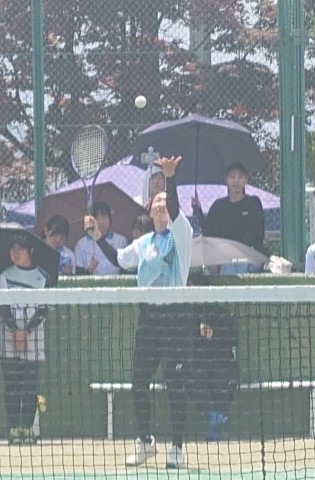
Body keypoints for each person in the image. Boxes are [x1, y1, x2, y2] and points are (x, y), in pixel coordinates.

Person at [84, 155, 193, 469]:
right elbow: (119, 259)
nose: (162, 203)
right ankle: (145, 441)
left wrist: (170, 177)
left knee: (175, 384)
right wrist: (96, 235)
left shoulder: (181, 233)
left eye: (166, 200)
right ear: (148, 208)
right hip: (149, 319)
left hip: (175, 317)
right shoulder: (143, 243)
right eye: (157, 200)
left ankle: (177, 448)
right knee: (138, 381)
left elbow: (176, 207)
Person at [0, 234, 50, 445]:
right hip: (8, 338)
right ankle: (13, 429)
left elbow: (44, 309)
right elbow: (2, 306)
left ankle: (28, 429)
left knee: (29, 385)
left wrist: (26, 332)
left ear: (31, 251)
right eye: (12, 249)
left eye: (20, 249)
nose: (15, 253)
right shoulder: (4, 276)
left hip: (34, 340)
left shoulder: (43, 277)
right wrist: (14, 331)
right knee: (11, 385)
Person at [187, 273, 239, 442]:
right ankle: (214, 416)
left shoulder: (221, 314)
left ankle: (218, 420)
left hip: (221, 366)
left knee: (222, 381)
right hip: (197, 369)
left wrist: (213, 334)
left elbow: (233, 339)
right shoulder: (185, 316)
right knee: (188, 377)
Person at [192, 162, 265, 274]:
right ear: (226, 180)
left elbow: (257, 232)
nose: (236, 181)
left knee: (233, 264)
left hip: (250, 254)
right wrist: (198, 210)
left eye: (240, 177)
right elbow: (209, 232)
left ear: (246, 180)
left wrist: (235, 249)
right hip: (224, 256)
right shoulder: (218, 205)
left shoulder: (253, 203)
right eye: (232, 177)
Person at [74, 201, 127, 275]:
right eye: (97, 218)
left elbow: (125, 268)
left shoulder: (121, 241)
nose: (102, 222)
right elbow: (78, 275)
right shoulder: (81, 244)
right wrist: (89, 270)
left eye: (105, 217)